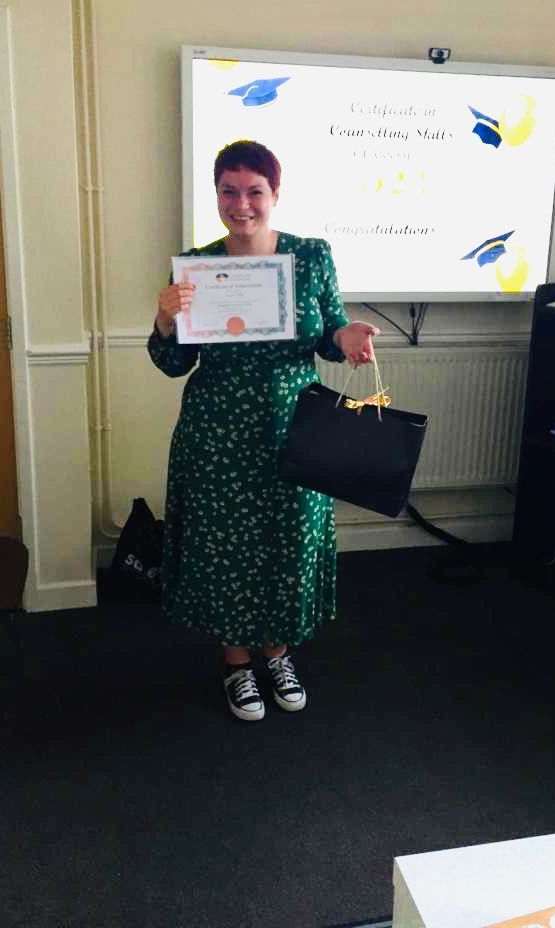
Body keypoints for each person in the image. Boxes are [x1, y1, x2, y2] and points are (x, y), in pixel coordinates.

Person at [147, 140, 379, 721]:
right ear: (217, 195)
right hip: (216, 430)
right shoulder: (195, 266)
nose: (241, 204)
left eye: (255, 191)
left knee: (286, 540)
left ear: (275, 195)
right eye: (229, 190)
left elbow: (327, 335)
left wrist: (345, 339)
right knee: (223, 545)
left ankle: (276, 653)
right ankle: (236, 664)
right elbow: (174, 365)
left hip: (293, 425)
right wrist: (164, 321)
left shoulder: (311, 256)